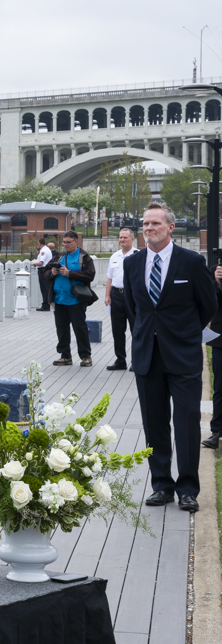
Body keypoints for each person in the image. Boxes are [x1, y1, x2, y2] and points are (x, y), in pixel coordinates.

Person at [123, 203, 217, 512]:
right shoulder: (132, 263)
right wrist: (146, 335)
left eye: (155, 223)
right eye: (145, 223)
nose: (149, 228)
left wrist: (184, 334)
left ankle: (188, 489)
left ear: (170, 227)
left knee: (187, 421)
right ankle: (161, 485)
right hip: (147, 356)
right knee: (154, 422)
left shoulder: (191, 262)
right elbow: (134, 309)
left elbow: (208, 305)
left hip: (183, 356)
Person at [45, 230, 95, 367]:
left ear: (76, 241)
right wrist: (52, 273)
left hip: (76, 300)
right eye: (64, 242)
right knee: (61, 328)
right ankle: (65, 356)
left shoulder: (84, 257)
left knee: (80, 328)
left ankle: (85, 356)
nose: (65, 245)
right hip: (59, 299)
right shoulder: (59, 256)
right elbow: (45, 272)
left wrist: (70, 273)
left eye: (68, 242)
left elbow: (90, 275)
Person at [103, 228, 138, 370]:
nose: (122, 240)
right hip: (116, 295)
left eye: (125, 237)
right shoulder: (115, 256)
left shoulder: (138, 255)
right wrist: (107, 296)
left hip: (132, 296)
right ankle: (120, 360)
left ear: (132, 239)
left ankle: (136, 361)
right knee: (117, 330)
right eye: (120, 237)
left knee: (136, 330)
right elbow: (109, 278)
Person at [203, 265, 222, 449]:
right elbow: (209, 301)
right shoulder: (216, 269)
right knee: (220, 387)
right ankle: (216, 431)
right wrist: (217, 282)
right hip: (220, 339)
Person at [30, 238, 53, 311]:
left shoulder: (43, 251)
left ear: (39, 243)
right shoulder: (46, 249)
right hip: (46, 270)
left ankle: (46, 305)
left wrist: (34, 263)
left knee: (44, 288)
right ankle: (47, 303)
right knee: (46, 287)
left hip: (43, 270)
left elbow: (41, 263)